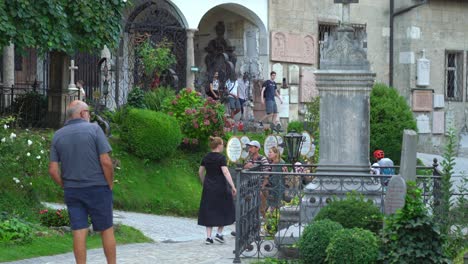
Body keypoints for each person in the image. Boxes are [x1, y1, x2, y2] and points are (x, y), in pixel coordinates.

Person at [49, 100, 115, 264]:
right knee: (106, 229)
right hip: (98, 187)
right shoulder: (94, 129)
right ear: (83, 113)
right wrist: (110, 183)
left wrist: (64, 185)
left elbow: (52, 170)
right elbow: (106, 162)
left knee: (79, 230)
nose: (90, 115)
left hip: (72, 190)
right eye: (89, 113)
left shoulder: (58, 135)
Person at [198, 136, 237, 245]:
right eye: (223, 145)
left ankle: (208, 237)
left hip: (208, 187)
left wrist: (204, 182)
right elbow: (225, 172)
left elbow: (200, 172)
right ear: (219, 145)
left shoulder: (206, 157)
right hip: (221, 187)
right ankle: (219, 233)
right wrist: (233, 186)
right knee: (224, 208)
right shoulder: (221, 158)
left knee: (208, 209)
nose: (223, 147)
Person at [244, 140, 270, 217]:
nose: (249, 149)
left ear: (257, 148)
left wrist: (262, 187)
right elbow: (244, 171)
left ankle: (266, 221)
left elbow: (267, 174)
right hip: (251, 184)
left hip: (261, 185)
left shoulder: (262, 158)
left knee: (261, 205)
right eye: (249, 147)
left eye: (251, 147)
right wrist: (246, 166)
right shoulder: (249, 159)